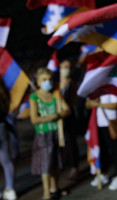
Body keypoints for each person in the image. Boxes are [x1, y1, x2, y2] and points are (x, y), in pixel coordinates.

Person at [29, 68, 71, 200]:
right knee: (45, 164)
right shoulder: (36, 97)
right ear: (38, 81)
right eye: (44, 80)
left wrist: (58, 114)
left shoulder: (55, 95)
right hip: (43, 135)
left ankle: (55, 188)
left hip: (57, 133)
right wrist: (49, 117)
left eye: (50, 79)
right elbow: (34, 119)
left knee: (56, 163)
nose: (48, 82)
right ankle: (46, 192)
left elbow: (67, 110)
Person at [86, 94, 117, 190]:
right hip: (97, 125)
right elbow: (87, 105)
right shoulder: (95, 90)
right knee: (102, 151)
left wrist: (99, 104)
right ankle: (104, 173)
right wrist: (92, 103)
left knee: (115, 150)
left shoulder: (110, 89)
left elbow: (115, 105)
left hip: (110, 124)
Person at [59, 59, 80, 179]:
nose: (66, 69)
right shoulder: (55, 84)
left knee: (71, 141)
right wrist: (37, 100)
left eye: (69, 67)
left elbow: (72, 102)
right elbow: (42, 99)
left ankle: (74, 166)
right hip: (55, 119)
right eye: (64, 66)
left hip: (68, 116)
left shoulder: (72, 84)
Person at [0, 78, 17, 200]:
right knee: (6, 160)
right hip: (2, 127)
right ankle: (10, 189)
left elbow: (36, 99)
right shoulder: (4, 94)